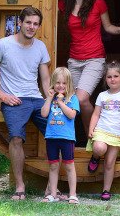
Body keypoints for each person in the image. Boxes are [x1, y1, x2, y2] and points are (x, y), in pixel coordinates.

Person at [0, 7, 65, 201]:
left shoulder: (41, 47)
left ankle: (51, 187)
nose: (31, 27)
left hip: (36, 99)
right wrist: (3, 96)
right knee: (16, 138)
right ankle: (20, 186)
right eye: (28, 22)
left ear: (39, 26)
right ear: (19, 23)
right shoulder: (3, 45)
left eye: (35, 24)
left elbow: (45, 80)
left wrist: (50, 100)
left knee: (59, 134)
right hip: (13, 100)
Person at [54, 0, 120, 136]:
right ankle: (89, 136)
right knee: (78, 102)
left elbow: (108, 27)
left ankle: (95, 135)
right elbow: (46, 11)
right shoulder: (65, 4)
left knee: (82, 99)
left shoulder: (98, 3)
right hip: (74, 60)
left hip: (94, 58)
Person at [85, 60, 120, 201]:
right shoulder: (102, 96)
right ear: (105, 79)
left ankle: (106, 190)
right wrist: (91, 128)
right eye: (109, 77)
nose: (113, 79)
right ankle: (95, 157)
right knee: (99, 148)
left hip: (117, 134)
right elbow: (95, 114)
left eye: (116, 76)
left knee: (109, 163)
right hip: (102, 130)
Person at [41, 67, 80, 204]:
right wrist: (50, 97)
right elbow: (44, 113)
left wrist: (61, 102)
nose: (61, 86)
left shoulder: (73, 99)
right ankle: (52, 194)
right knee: (53, 166)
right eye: (57, 83)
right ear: (53, 83)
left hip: (67, 138)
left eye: (64, 83)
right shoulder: (51, 99)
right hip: (51, 137)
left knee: (69, 166)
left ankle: (73, 194)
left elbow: (71, 115)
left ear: (69, 84)